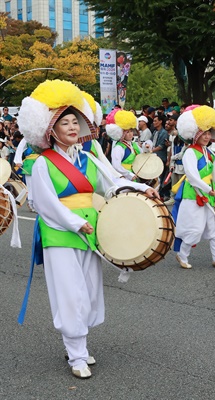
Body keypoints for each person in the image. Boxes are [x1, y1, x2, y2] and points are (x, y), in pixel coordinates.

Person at [19, 80, 158, 379]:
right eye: (64, 122)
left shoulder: (89, 157)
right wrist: (74, 222)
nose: (71, 127)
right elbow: (45, 203)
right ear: (50, 131)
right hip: (61, 233)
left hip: (91, 229)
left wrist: (140, 188)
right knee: (70, 293)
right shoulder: (43, 163)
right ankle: (77, 354)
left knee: (90, 292)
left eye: (75, 121)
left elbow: (113, 182)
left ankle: (77, 345)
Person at [172, 105, 215, 270]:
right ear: (195, 134)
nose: (206, 136)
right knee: (194, 229)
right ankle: (182, 255)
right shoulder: (190, 152)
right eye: (203, 133)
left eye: (208, 133)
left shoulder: (209, 153)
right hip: (193, 195)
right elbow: (191, 176)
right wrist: (207, 188)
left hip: (208, 195)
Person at [106, 109, 140, 180]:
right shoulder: (118, 147)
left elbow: (142, 154)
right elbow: (116, 166)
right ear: (121, 133)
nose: (130, 134)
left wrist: (147, 148)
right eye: (127, 132)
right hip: (124, 178)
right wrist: (129, 174)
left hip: (134, 176)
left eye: (131, 131)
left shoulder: (133, 144)